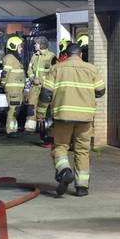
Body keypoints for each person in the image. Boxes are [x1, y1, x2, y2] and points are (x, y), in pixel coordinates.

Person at [39, 42, 105, 197]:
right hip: (85, 118)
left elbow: (45, 94)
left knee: (60, 147)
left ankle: (64, 170)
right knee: (82, 151)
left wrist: (40, 114)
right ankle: (82, 187)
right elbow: (100, 91)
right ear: (81, 55)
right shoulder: (92, 69)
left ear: (66, 55)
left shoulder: (56, 68)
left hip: (63, 117)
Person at [24, 37, 55, 135]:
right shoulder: (34, 56)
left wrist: (44, 82)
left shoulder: (52, 56)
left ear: (42, 44)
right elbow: (29, 70)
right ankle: (30, 128)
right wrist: (33, 78)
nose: (35, 45)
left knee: (46, 107)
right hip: (34, 87)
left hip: (46, 87)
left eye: (36, 43)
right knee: (31, 106)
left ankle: (44, 128)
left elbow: (54, 72)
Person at [0, 36, 26, 136]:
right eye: (19, 46)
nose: (21, 48)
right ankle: (10, 131)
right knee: (13, 109)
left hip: (17, 90)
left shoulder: (14, 58)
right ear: (13, 46)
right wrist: (3, 84)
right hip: (13, 90)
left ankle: (13, 129)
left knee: (16, 110)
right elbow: (5, 73)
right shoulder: (10, 58)